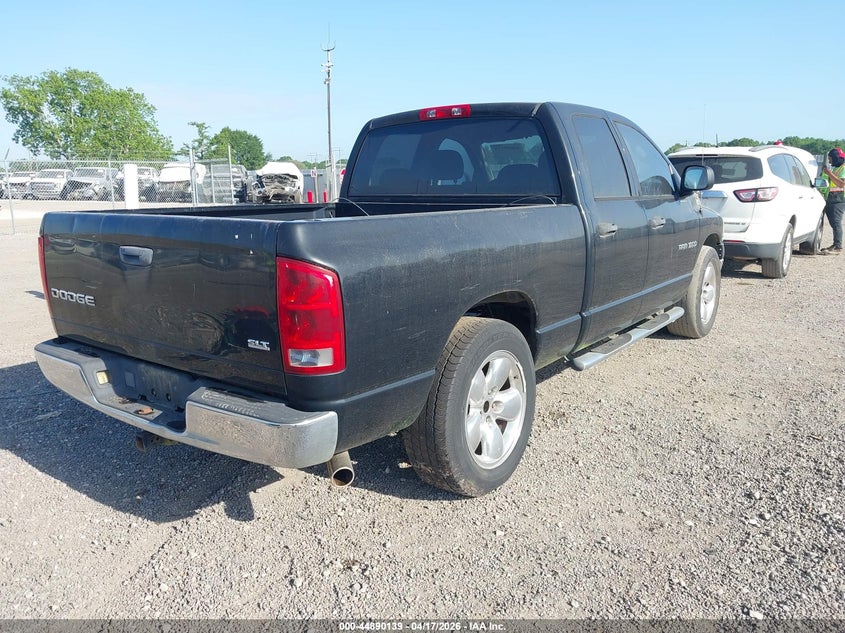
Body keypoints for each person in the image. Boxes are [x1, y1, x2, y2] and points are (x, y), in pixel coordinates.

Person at [821, 147, 845, 254]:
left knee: (836, 223)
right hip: (831, 198)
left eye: (830, 158)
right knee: (833, 223)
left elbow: (842, 184)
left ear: (836, 158)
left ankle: (838, 246)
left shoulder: (843, 168)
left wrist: (829, 173)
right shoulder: (836, 168)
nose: (829, 160)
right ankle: (835, 244)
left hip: (839, 199)